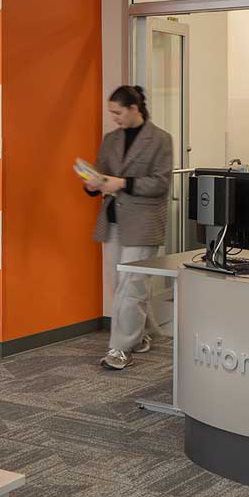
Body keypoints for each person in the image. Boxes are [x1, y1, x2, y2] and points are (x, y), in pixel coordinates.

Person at [81, 85, 173, 370]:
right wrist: (92, 184)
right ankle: (143, 335)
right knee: (119, 284)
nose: (114, 118)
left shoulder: (161, 139)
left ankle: (119, 349)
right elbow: (100, 172)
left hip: (143, 222)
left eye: (118, 112)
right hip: (113, 220)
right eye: (112, 113)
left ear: (135, 109)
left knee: (131, 286)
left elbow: (160, 183)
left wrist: (122, 183)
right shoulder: (111, 140)